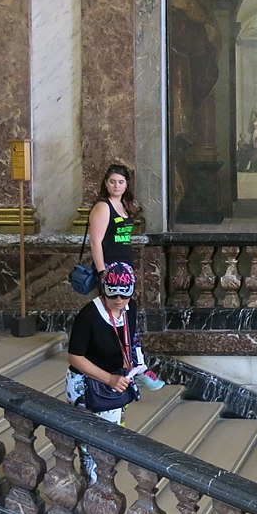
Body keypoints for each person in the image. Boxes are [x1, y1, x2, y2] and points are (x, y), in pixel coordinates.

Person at [65, 261, 146, 483]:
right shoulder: (88, 315)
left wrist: (136, 363)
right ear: (104, 291)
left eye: (124, 296)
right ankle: (92, 490)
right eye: (113, 296)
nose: (119, 301)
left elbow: (131, 336)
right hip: (87, 383)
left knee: (110, 441)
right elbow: (75, 357)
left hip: (117, 380)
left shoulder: (130, 308)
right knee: (89, 445)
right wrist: (109, 378)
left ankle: (102, 485)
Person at [87, 162, 162, 391]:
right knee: (119, 313)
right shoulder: (103, 207)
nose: (116, 185)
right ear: (106, 183)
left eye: (120, 182)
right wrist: (102, 272)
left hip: (125, 269)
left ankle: (129, 362)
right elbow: (96, 241)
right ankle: (129, 364)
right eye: (112, 182)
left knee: (127, 313)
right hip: (111, 269)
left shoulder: (125, 205)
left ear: (127, 184)